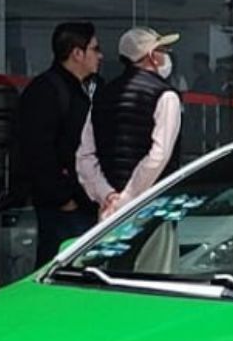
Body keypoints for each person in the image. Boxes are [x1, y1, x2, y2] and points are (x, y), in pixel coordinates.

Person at [13, 21, 102, 264]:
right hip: (63, 206)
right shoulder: (47, 91)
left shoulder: (84, 89)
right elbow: (37, 150)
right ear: (77, 53)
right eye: (95, 49)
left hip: (85, 201)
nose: (100, 56)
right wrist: (64, 198)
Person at [78, 27, 183, 220]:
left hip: (108, 211)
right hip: (153, 207)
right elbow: (158, 156)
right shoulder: (166, 96)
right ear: (152, 55)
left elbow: (84, 156)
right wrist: (128, 199)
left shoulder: (103, 96)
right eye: (164, 51)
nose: (167, 56)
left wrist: (107, 195)